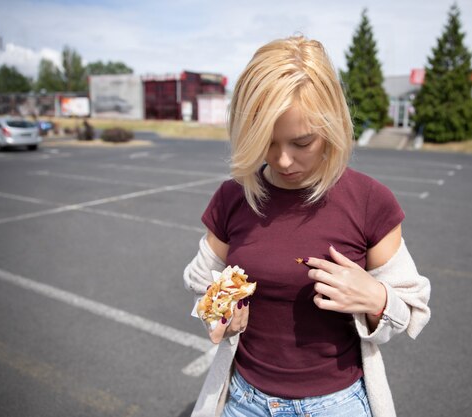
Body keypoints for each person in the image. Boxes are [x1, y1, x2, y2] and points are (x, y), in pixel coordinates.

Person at [183, 36, 431, 417]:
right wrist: (217, 312)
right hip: (243, 402)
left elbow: (412, 305)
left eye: (302, 142)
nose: (283, 160)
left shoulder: (369, 200)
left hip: (338, 404)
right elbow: (202, 280)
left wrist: (377, 299)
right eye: (267, 141)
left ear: (331, 125)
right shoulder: (233, 197)